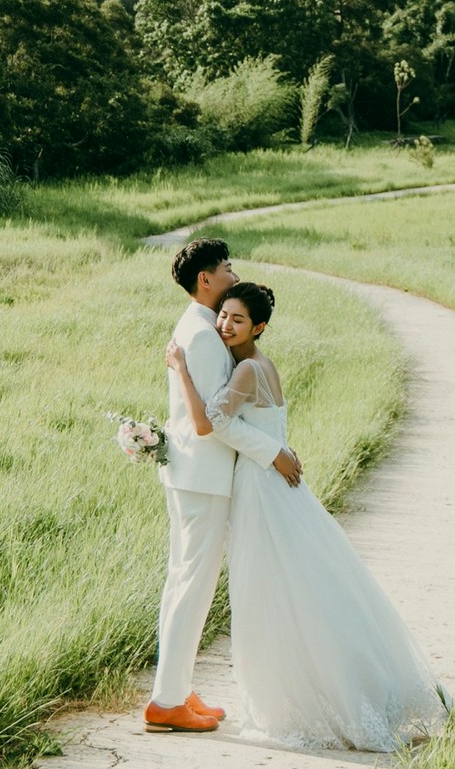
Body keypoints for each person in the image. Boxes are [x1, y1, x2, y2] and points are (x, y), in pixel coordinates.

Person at [165, 280, 446, 752]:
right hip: (275, 486)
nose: (225, 325)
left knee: (271, 594)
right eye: (224, 316)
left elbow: (208, 424)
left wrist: (181, 372)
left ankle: (305, 697)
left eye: (237, 319)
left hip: (260, 487)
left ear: (260, 326)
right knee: (306, 586)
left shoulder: (247, 371)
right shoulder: (260, 365)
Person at [144, 239, 305, 734]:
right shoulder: (207, 337)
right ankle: (167, 701)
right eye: (227, 269)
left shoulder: (195, 326)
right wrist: (273, 452)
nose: (234, 275)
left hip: (192, 474)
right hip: (204, 477)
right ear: (206, 280)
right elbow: (214, 421)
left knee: (184, 581)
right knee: (192, 584)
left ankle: (177, 687)